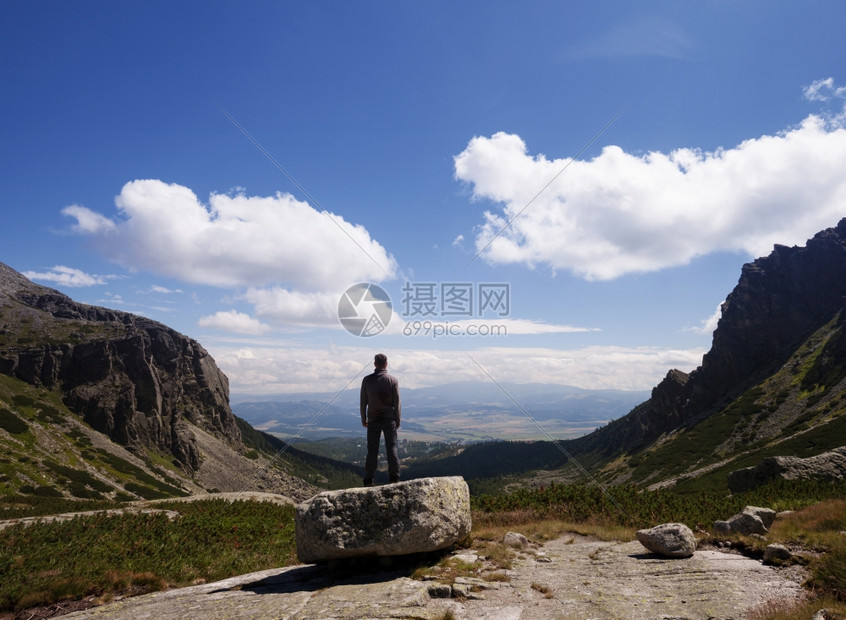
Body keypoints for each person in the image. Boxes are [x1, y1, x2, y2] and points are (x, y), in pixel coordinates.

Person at [360, 353, 401, 486]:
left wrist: (363, 419)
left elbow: (363, 402)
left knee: (372, 450)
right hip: (389, 419)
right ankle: (394, 479)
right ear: (386, 364)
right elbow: (397, 403)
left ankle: (368, 480)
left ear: (375, 364)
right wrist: (398, 421)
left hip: (373, 419)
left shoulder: (367, 380)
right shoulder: (393, 380)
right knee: (392, 448)